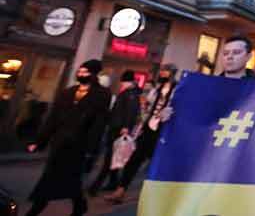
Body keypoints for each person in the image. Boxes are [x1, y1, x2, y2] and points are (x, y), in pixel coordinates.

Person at [25, 59, 111, 216]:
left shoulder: (102, 95)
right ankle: (40, 207)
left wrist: (91, 150)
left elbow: (98, 124)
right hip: (59, 143)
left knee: (70, 179)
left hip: (79, 145)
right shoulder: (67, 92)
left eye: (85, 72)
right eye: (80, 71)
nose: (81, 74)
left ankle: (77, 205)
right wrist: (39, 140)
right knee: (51, 177)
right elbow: (52, 118)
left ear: (94, 74)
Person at [106, 64, 177, 204]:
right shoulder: (156, 89)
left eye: (166, 71)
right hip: (148, 129)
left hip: (164, 132)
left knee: (158, 164)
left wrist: (171, 112)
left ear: (172, 74)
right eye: (162, 71)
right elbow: (145, 107)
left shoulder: (178, 91)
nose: (162, 73)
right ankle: (120, 190)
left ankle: (159, 196)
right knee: (134, 160)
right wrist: (141, 122)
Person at [88, 70, 141, 196]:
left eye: (123, 82)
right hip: (116, 128)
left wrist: (126, 127)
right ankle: (113, 182)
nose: (122, 84)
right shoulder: (129, 93)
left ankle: (95, 187)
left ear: (128, 82)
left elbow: (130, 112)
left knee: (109, 159)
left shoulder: (130, 95)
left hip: (118, 129)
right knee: (112, 158)